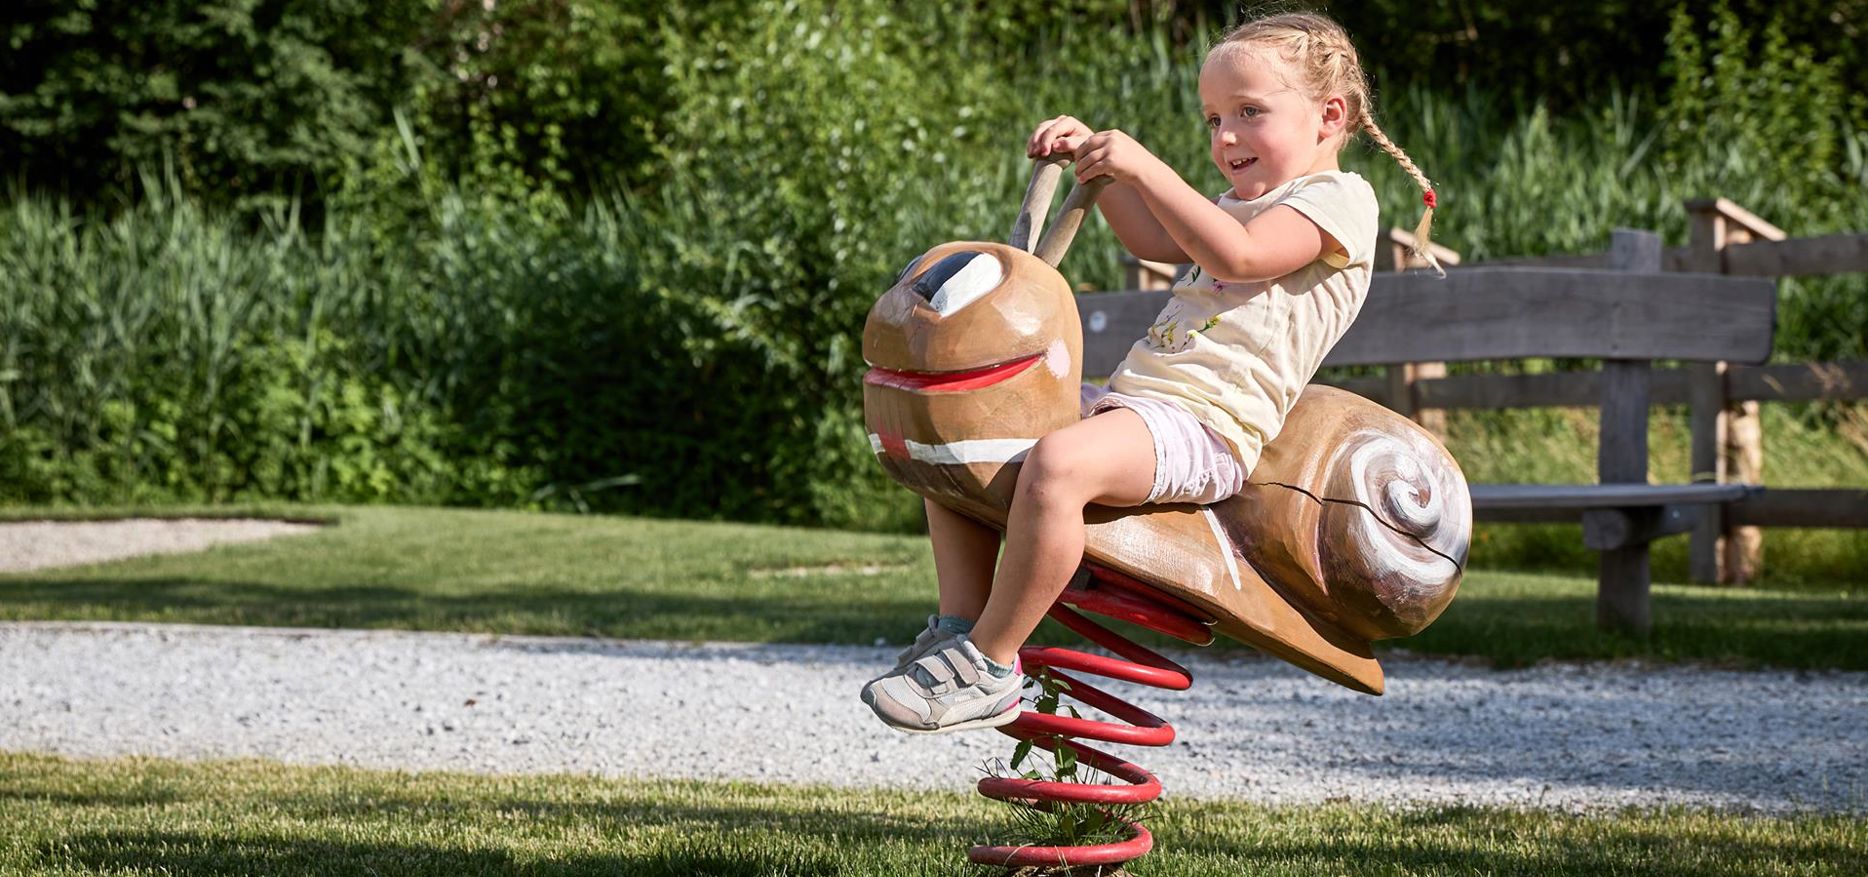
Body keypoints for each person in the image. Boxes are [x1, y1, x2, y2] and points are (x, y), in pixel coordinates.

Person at [860, 11, 1441, 734]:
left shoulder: (1337, 202)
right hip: (1139, 409)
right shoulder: (1240, 205)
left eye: (1249, 112)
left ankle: (990, 663)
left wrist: (1143, 163)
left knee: (1058, 464)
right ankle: (958, 623)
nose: (1225, 137)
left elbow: (1239, 257)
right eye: (1214, 118)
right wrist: (1097, 168)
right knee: (965, 430)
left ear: (1329, 115)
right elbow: (1152, 237)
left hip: (1206, 429)